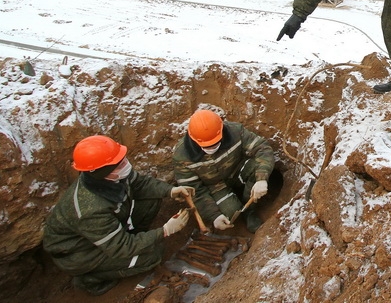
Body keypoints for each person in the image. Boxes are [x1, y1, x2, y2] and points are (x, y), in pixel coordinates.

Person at [43, 135, 194, 296]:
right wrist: (165, 231)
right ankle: (89, 279)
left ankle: (136, 239)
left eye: (122, 159)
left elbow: (141, 184)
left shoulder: (112, 174)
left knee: (151, 198)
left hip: (102, 234)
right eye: (119, 163)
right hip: (81, 253)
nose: (126, 164)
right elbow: (121, 247)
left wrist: (170, 191)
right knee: (153, 254)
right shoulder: (91, 210)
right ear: (102, 172)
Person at [173, 109, 275, 234]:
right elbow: (194, 190)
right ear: (195, 140)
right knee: (230, 213)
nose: (212, 148)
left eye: (215, 143)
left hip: (238, 171)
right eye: (207, 146)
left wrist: (262, 179)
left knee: (256, 169)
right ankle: (234, 205)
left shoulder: (235, 131)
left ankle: (250, 211)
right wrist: (214, 215)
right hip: (215, 186)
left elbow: (262, 148)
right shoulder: (182, 156)